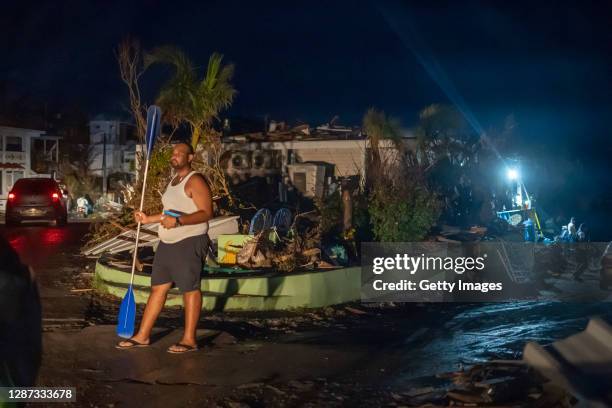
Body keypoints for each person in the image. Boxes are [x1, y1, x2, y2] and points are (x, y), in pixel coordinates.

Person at [116, 142, 214, 353]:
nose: (175, 156)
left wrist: (179, 222)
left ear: (190, 157)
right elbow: (167, 213)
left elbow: (206, 213)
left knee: (190, 289)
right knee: (158, 287)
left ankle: (189, 340)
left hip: (189, 241)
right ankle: (142, 336)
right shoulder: (173, 181)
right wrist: (147, 218)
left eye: (180, 153)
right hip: (167, 243)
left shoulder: (195, 180)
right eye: (173, 153)